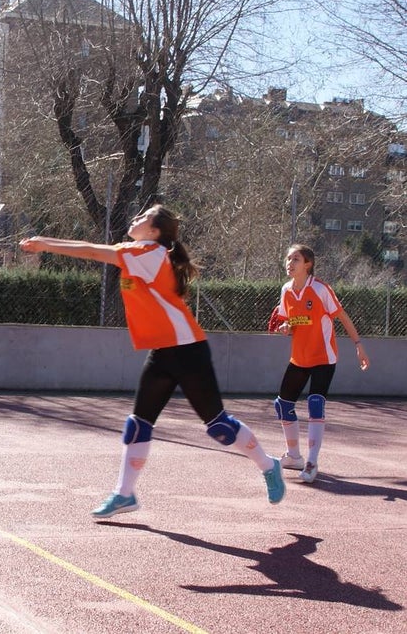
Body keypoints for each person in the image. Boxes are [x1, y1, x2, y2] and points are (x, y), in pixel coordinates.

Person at [20, 204, 286, 517]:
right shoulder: (138, 250)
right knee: (138, 424)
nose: (135, 218)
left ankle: (269, 467)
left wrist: (46, 244)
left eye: (143, 217)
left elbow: (93, 252)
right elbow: (96, 250)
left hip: (188, 350)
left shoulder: (150, 254)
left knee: (219, 427)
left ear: (155, 231)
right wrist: (44, 240)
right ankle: (124, 494)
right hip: (162, 351)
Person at [269, 244, 370, 484]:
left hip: (324, 357)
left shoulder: (321, 289)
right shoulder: (286, 290)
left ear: (308, 264)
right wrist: (286, 327)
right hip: (300, 357)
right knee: (283, 405)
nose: (290, 263)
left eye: (296, 259)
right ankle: (294, 456)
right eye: (288, 258)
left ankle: (312, 462)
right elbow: (291, 322)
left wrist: (359, 345)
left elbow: (342, 316)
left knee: (315, 403)